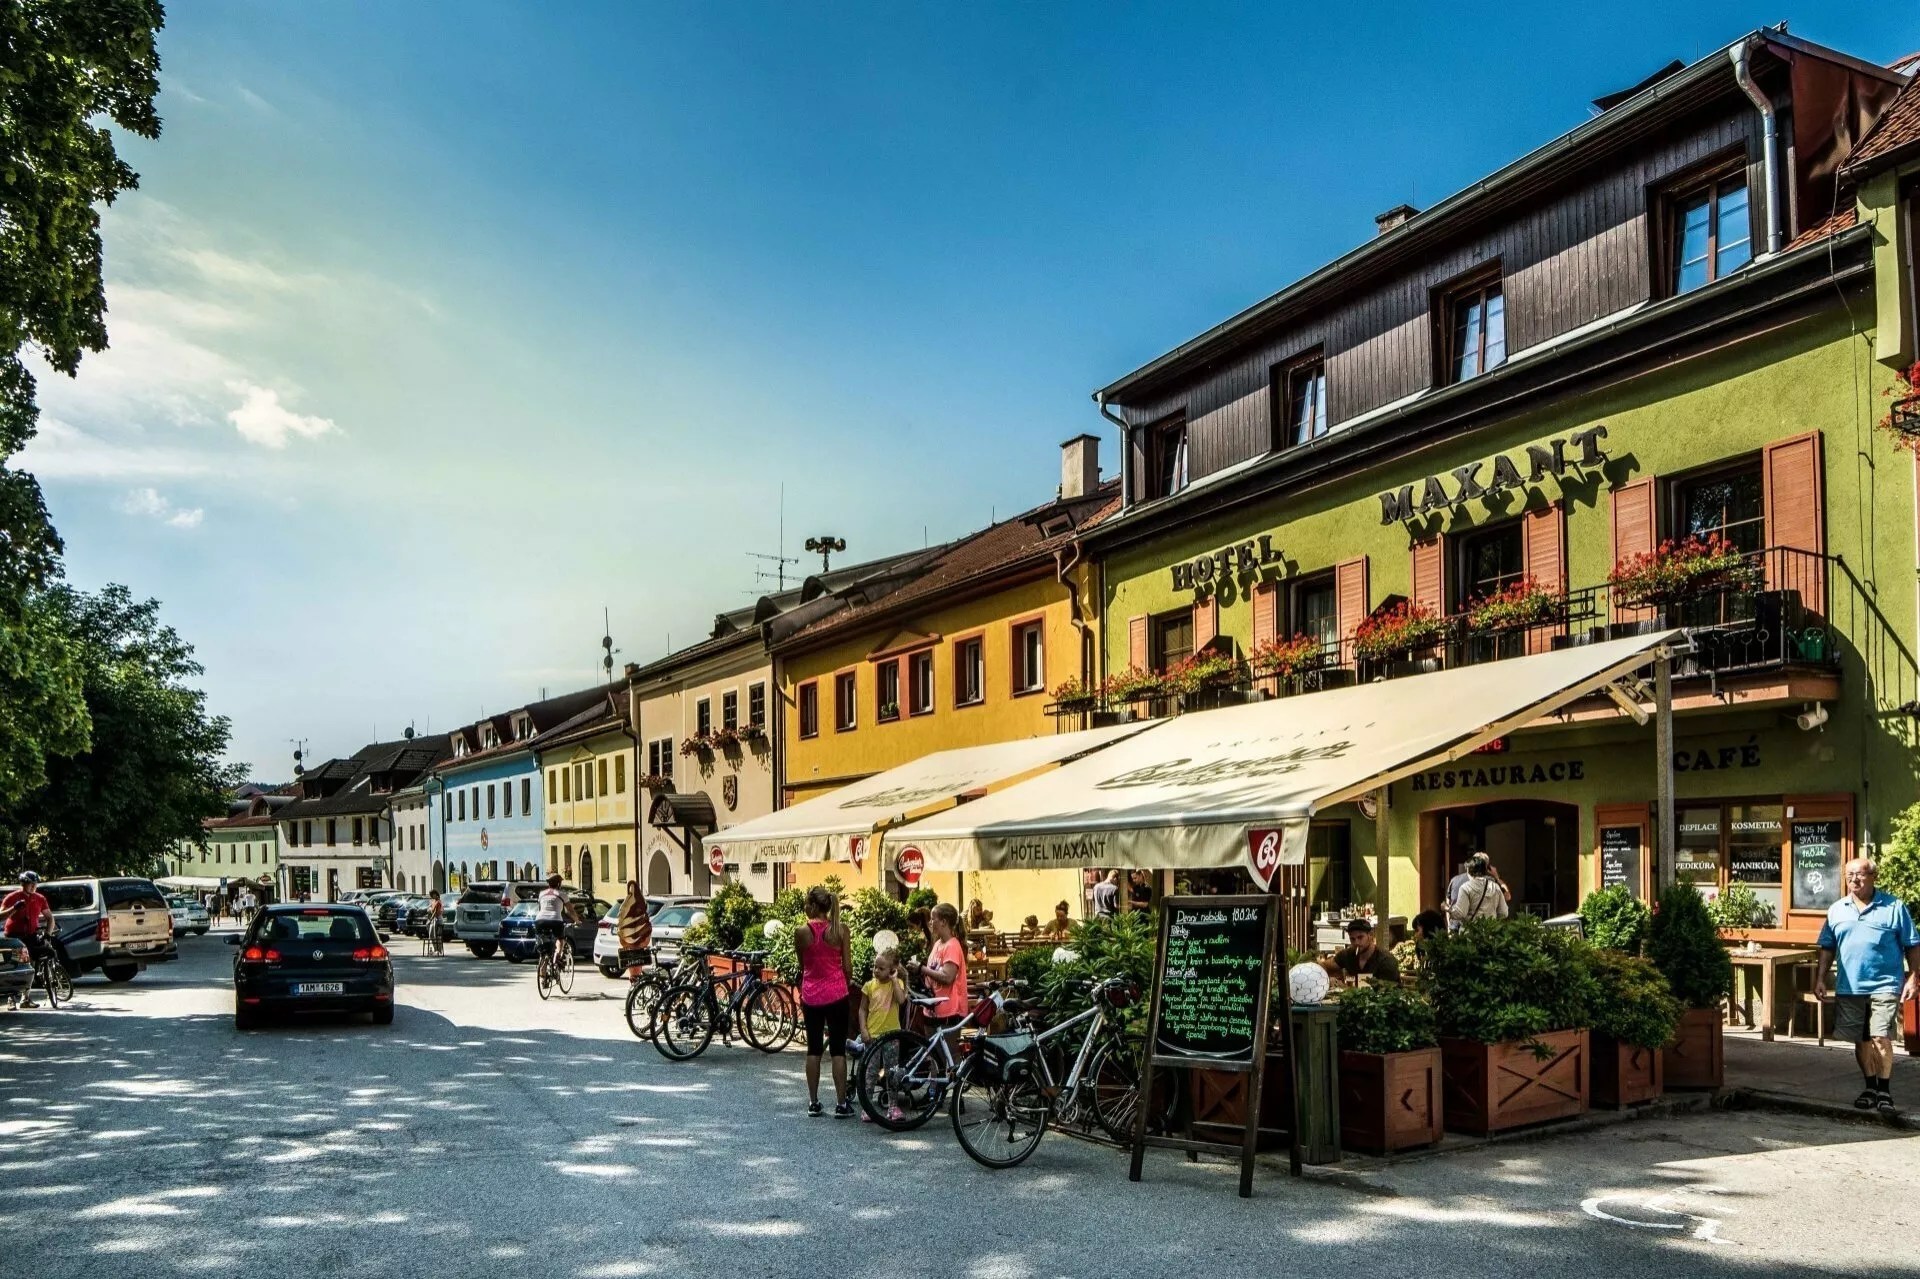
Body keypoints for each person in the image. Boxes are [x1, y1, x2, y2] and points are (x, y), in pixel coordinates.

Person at [1814, 857, 1920, 1113]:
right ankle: (1870, 1086)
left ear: (1874, 876)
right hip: (1850, 985)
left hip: (1885, 983)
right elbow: (1827, 947)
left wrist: (1914, 977)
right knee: (1860, 1040)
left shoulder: (1894, 907)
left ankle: (1884, 1091)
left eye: (1860, 875)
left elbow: (1912, 944)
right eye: (1849, 875)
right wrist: (1819, 978)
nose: (1854, 880)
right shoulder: (1837, 909)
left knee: (1880, 1036)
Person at [796, 886, 854, 1117]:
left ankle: (813, 1102)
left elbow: (802, 964)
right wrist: (844, 981)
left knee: (813, 1049)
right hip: (837, 993)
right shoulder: (840, 930)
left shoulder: (802, 932)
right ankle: (841, 1104)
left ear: (812, 906)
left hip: (811, 994)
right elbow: (848, 966)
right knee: (838, 1050)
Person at [908, 903, 969, 1028]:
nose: (930, 922)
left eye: (933, 918)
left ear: (943, 922)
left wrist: (922, 968)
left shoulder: (952, 946)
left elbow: (947, 977)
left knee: (947, 1048)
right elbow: (933, 970)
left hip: (949, 1012)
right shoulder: (938, 944)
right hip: (933, 1009)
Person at [2, 872, 52, 1009]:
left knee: (31, 964)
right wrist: (14, 908)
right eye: (31, 883)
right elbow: (1, 916)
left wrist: (47, 934)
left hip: (30, 935)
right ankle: (11, 999)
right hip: (14, 936)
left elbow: (50, 918)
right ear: (23, 884)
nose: (33, 886)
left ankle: (26, 998)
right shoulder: (12, 897)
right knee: (15, 965)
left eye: (35, 884)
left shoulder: (40, 898)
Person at [1321, 918, 1401, 985]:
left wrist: (1347, 990)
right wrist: (1328, 979)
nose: (1356, 942)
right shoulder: (1348, 955)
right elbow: (1323, 966)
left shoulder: (1386, 960)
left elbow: (1387, 993)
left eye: (1360, 937)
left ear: (1371, 935)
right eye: (1352, 939)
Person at [1448, 854, 1509, 927]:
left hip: (1469, 932)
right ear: (1485, 869)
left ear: (1469, 870)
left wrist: (1446, 908)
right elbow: (1504, 913)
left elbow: (1459, 913)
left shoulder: (1462, 885)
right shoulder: (1495, 886)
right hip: (1489, 931)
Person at [533, 874, 577, 971]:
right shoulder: (562, 894)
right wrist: (577, 920)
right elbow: (570, 910)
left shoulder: (541, 894)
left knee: (543, 942)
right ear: (559, 884)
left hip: (540, 920)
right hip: (555, 919)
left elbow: (540, 908)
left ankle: (543, 964)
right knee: (560, 939)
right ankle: (557, 955)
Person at [615, 879, 653, 977]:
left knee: (634, 966)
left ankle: (635, 981)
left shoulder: (626, 907)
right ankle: (635, 981)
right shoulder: (635, 909)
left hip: (628, 936)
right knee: (636, 966)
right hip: (632, 936)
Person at [425, 888, 445, 955]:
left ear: (436, 894)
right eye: (431, 895)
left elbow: (435, 913)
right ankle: (435, 949)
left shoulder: (438, 902)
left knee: (437, 936)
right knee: (431, 935)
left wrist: (430, 920)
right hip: (434, 920)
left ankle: (439, 950)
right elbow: (429, 909)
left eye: (433, 895)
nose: (433, 896)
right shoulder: (433, 901)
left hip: (438, 920)